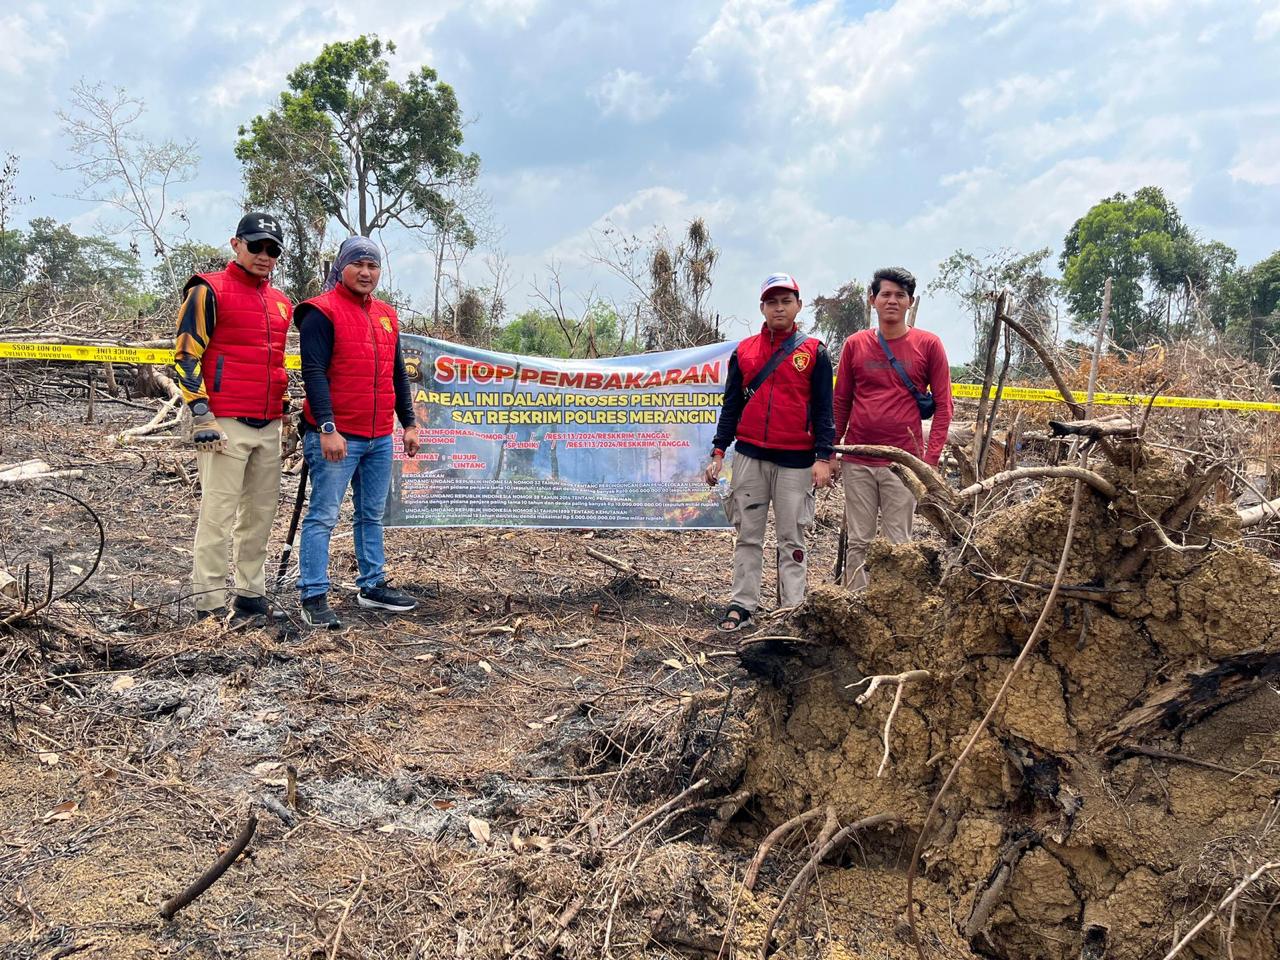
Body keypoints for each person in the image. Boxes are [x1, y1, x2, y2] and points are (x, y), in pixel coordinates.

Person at [294, 236, 421, 629]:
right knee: (323, 516)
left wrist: (409, 423)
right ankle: (313, 594)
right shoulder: (321, 313)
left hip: (380, 435)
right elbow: (313, 373)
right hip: (337, 436)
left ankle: (372, 585)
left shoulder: (386, 315)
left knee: (371, 514)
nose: (366, 272)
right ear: (341, 268)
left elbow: (397, 373)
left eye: (373, 266)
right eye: (358, 264)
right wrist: (328, 428)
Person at [175, 212, 292, 623]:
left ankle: (249, 595)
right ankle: (207, 601)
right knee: (217, 516)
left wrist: (286, 413)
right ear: (236, 244)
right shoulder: (208, 289)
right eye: (257, 245)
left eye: (273, 249)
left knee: (260, 516)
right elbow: (188, 354)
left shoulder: (281, 304)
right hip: (224, 422)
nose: (264, 255)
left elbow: (274, 363)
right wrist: (201, 414)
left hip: (269, 424)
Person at [704, 273, 835, 632]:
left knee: (792, 538)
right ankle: (742, 603)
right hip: (750, 458)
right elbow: (730, 406)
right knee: (748, 534)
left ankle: (791, 610)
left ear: (798, 305)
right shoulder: (744, 351)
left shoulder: (815, 353)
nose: (779, 307)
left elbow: (825, 410)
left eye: (786, 301)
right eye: (772, 301)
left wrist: (824, 458)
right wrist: (718, 451)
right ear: (762, 307)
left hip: (797, 461)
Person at [832, 266, 953, 591]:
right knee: (859, 540)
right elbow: (840, 401)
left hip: (904, 464)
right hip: (858, 459)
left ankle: (893, 607)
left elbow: (944, 406)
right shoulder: (855, 345)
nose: (892, 300)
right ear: (872, 299)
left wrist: (929, 461)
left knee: (899, 540)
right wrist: (831, 451)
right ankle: (856, 609)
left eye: (900, 295)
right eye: (885, 294)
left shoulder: (928, 345)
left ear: (910, 302)